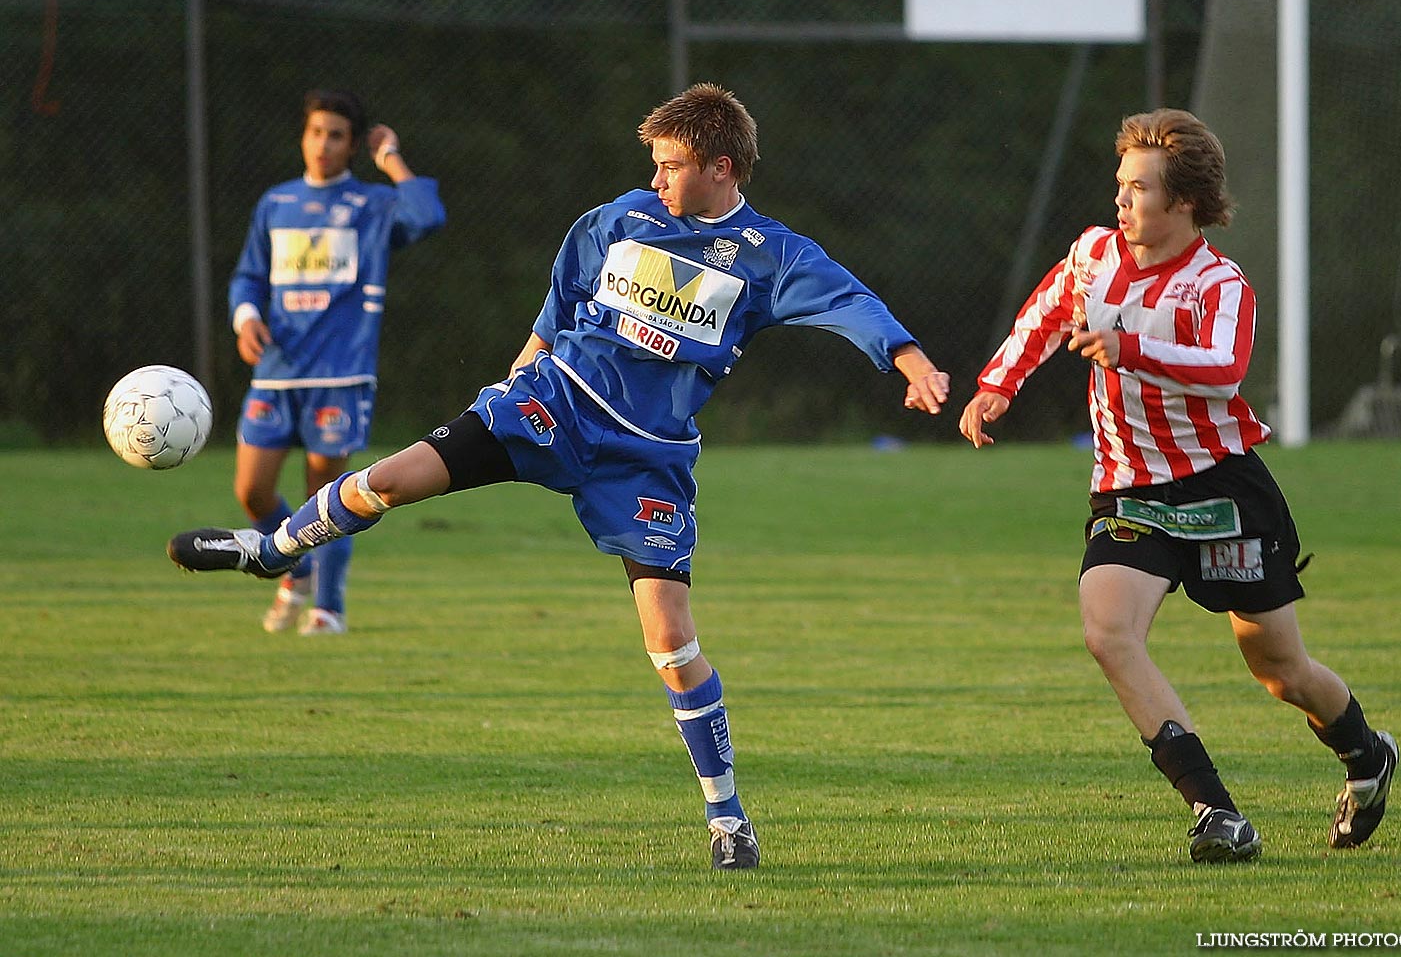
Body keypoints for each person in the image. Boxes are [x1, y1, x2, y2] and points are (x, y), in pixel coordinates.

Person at [170, 83, 951, 869]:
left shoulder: (771, 256)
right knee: (392, 479)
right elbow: (556, 310)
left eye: (670, 166)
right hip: (552, 406)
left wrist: (908, 358)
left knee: (672, 640)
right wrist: (510, 387)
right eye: (653, 165)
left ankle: (728, 821)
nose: (656, 180)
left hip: (645, 456)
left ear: (720, 168)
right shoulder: (620, 220)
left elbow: (851, 301)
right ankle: (273, 553)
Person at [959, 108, 1396, 863]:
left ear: (1184, 202)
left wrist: (1130, 346)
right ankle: (1216, 814)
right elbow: (1046, 311)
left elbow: (1223, 369)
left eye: (1139, 188)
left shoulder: (1218, 284)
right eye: (1120, 186)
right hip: (1130, 491)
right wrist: (999, 383)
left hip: (1223, 491)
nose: (1122, 202)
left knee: (1279, 671)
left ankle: (1367, 757)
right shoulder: (1094, 256)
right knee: (1108, 632)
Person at [227, 89, 446, 637]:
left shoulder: (371, 207)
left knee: (324, 497)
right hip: (277, 369)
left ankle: (328, 608)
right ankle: (292, 567)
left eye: (336, 136)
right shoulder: (276, 204)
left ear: (351, 146)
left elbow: (428, 214)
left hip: (341, 375)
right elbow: (249, 275)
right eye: (315, 132)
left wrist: (390, 157)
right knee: (251, 491)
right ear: (302, 136)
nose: (322, 144)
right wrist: (246, 315)